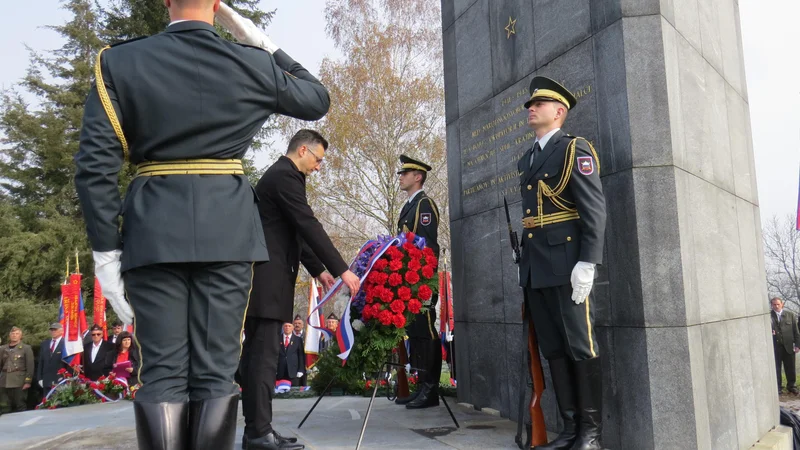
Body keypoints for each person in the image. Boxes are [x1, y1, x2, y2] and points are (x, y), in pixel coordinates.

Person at [73, 1, 331, 448]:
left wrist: (104, 251)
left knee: (162, 373)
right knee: (215, 373)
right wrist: (255, 38)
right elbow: (315, 97)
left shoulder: (118, 61)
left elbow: (95, 167)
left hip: (152, 233)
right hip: (228, 234)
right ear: (217, 4)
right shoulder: (251, 63)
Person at [241, 129, 360, 450]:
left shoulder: (284, 176)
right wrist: (342, 269)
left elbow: (293, 231)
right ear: (303, 150)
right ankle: (258, 433)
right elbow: (307, 223)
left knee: (257, 359)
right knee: (263, 360)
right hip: (267, 282)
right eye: (318, 159)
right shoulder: (284, 176)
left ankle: (258, 429)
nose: (319, 166)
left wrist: (319, 269)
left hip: (269, 280)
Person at [516, 76, 607, 450]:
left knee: (580, 346)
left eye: (538, 104)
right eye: (529, 104)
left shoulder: (574, 149)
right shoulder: (528, 158)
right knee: (553, 347)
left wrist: (588, 262)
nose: (530, 108)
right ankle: (570, 428)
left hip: (569, 264)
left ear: (559, 112)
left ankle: (591, 434)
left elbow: (594, 210)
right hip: (537, 268)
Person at [393, 155, 442, 409]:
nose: (401, 176)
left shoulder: (425, 204)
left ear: (418, 176)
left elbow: (428, 247)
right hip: (409, 282)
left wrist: (425, 282)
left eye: (405, 172)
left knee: (426, 330)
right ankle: (421, 384)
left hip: (422, 281)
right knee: (415, 332)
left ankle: (430, 389)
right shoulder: (408, 206)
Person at [0, 327, 34, 415]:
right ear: (9, 335)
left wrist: (28, 381)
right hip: (4, 381)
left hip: (19, 381)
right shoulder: (3, 348)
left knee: (20, 405)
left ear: (20, 336)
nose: (14, 336)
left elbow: (30, 366)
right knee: (4, 406)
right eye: (12, 334)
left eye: (17, 334)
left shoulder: (26, 348)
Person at [771, 297, 800, 394]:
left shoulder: (790, 315)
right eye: (774, 304)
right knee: (776, 368)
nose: (776, 306)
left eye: (778, 304)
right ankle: (778, 388)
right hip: (775, 347)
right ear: (772, 305)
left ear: (782, 304)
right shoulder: (768, 316)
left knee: (790, 367)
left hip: (789, 347)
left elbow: (796, 332)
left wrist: (797, 345)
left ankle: (792, 386)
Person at [37, 323, 70, 391]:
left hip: (60, 380)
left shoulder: (66, 344)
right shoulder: (45, 344)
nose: (53, 331)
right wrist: (39, 378)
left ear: (61, 331)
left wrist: (68, 379)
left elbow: (69, 363)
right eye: (51, 330)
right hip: (46, 380)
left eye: (55, 330)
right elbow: (41, 362)